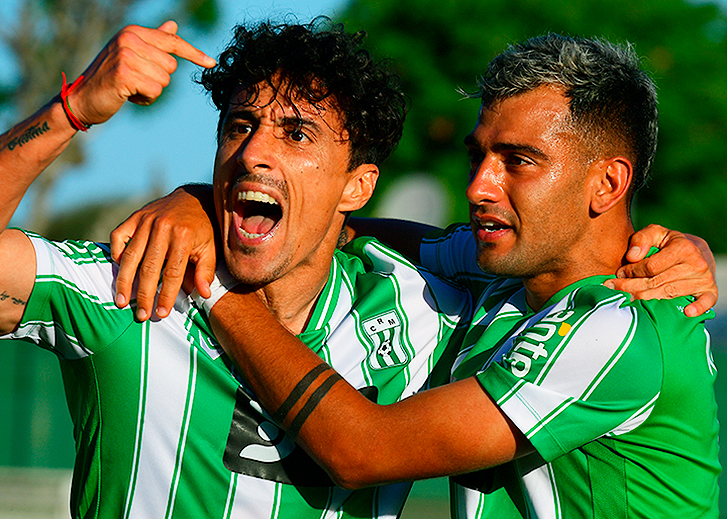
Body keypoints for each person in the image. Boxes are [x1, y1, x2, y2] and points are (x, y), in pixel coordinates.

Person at [0, 17, 491, 519]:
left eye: (297, 134)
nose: (254, 152)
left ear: (357, 187)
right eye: (240, 126)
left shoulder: (424, 312)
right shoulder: (134, 283)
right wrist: (73, 108)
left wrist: (192, 200)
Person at [111, 34, 720, 517]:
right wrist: (202, 201)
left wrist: (214, 282)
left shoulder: (621, 325)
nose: (479, 187)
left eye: (518, 162)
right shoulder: (504, 276)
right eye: (478, 155)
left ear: (608, 183)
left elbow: (361, 450)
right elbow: (358, 227)